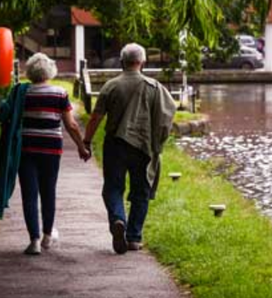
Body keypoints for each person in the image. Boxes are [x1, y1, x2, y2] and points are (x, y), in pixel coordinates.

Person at [82, 43, 176, 254]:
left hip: (115, 144)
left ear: (122, 62)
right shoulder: (155, 88)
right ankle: (134, 238)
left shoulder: (111, 86)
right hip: (143, 146)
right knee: (141, 191)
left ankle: (118, 219)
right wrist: (158, 144)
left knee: (113, 187)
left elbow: (96, 117)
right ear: (142, 62)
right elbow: (166, 119)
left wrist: (85, 142)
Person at [19, 53, 90, 255]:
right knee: (48, 191)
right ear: (50, 71)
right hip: (51, 150)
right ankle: (48, 236)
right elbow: (71, 125)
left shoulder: (22, 93)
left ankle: (33, 240)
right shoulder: (59, 93)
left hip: (26, 149)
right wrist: (81, 147)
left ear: (30, 71)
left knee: (29, 194)